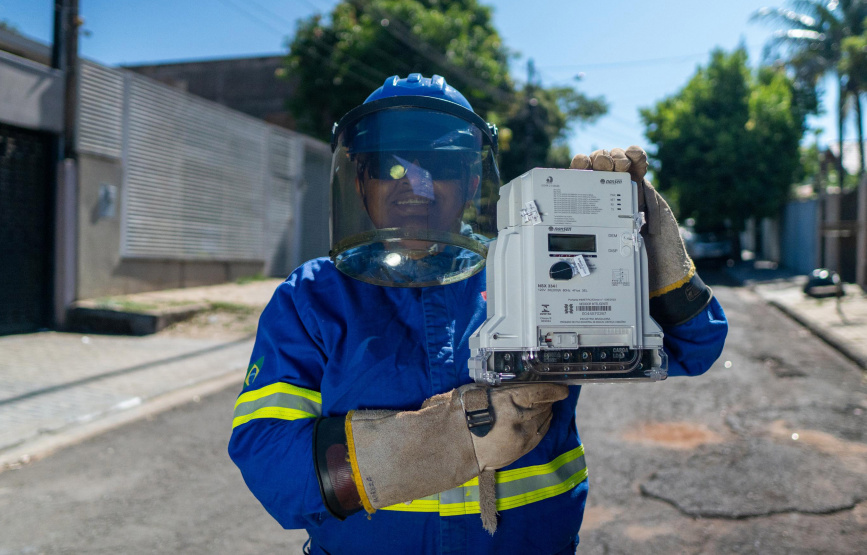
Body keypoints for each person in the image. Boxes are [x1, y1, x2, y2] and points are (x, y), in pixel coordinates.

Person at [228, 74, 728, 554]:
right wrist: (445, 442)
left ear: (471, 181)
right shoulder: (312, 298)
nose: (415, 185)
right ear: (360, 181)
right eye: (391, 167)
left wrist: (650, 263)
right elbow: (270, 461)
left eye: (440, 166)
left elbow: (692, 349)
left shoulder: (526, 264)